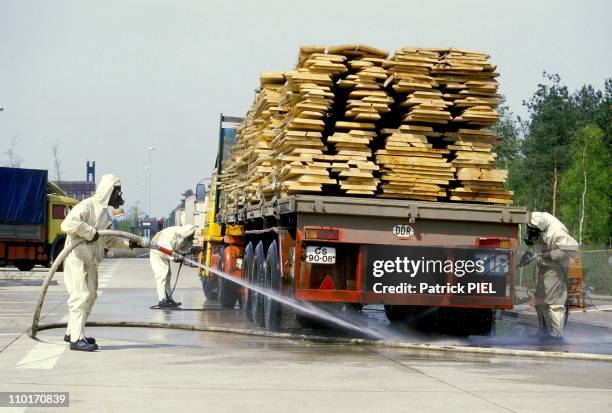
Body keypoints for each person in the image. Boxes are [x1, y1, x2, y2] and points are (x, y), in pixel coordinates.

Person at [61, 174, 141, 351]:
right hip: (77, 257)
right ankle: (76, 339)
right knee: (80, 296)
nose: (119, 197)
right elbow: (68, 224)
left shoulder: (104, 214)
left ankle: (73, 331)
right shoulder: (87, 206)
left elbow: (109, 240)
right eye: (117, 192)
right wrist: (90, 232)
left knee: (90, 296)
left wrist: (129, 244)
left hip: (90, 260)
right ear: (109, 191)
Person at [519, 212, 579, 341]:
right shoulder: (534, 223)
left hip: (555, 268)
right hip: (543, 267)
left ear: (541, 229)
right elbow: (535, 245)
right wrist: (528, 255)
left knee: (554, 302)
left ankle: (556, 335)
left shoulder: (556, 231)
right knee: (540, 301)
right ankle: (543, 332)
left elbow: (573, 248)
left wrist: (548, 255)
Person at [149, 225, 196, 308]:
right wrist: (175, 258)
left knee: (168, 275)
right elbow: (164, 251)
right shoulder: (171, 237)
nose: (192, 236)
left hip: (163, 252)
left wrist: (188, 251)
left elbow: (179, 247)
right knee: (161, 275)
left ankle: (169, 299)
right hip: (157, 252)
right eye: (191, 235)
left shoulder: (181, 235)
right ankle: (162, 300)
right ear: (188, 233)